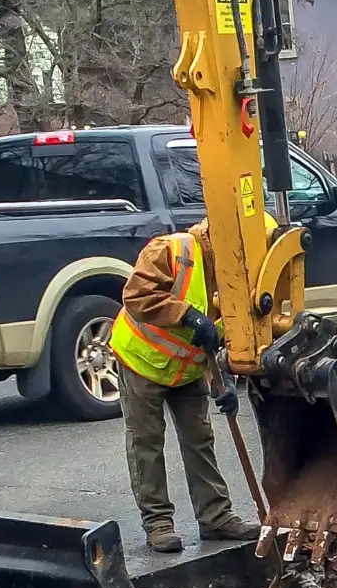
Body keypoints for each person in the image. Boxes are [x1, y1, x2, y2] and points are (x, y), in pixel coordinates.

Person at [110, 221, 261, 553]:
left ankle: (216, 517)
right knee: (146, 443)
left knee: (200, 440)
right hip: (142, 361)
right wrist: (187, 315)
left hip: (187, 371)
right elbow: (136, 296)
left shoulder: (233, 277)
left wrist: (226, 382)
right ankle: (158, 522)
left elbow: (218, 336)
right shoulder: (171, 250)